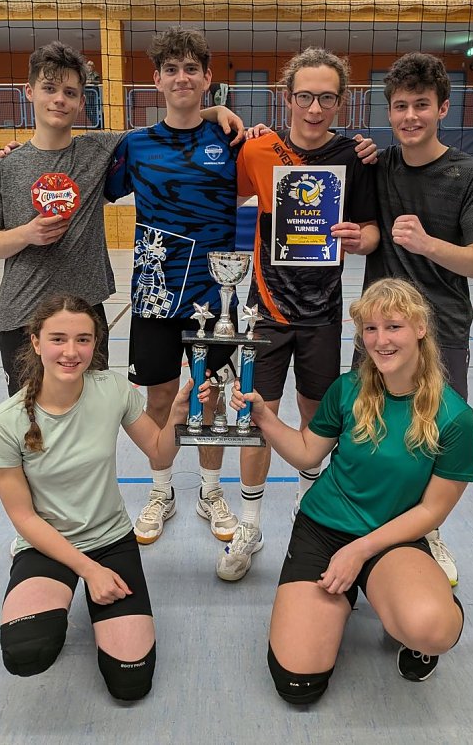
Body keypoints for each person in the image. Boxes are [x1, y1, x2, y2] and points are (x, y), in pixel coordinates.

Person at [105, 30, 379, 550]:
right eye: (171, 69)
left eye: (193, 69)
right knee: (159, 396)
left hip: (218, 294)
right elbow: (86, 172)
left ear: (210, 79)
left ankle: (211, 491)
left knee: (210, 397)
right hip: (155, 291)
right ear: (156, 78)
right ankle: (161, 490)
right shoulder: (135, 145)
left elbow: (279, 163)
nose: (181, 78)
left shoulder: (233, 143)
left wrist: (219, 118)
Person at [231, 278, 473, 703]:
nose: (380, 340)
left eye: (393, 327)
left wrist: (359, 551)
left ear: (420, 328)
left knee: (431, 629)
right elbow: (309, 454)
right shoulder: (347, 389)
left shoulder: (455, 417)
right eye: (370, 329)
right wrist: (264, 418)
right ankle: (341, 602)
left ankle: (406, 603)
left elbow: (432, 511)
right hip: (323, 527)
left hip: (392, 538)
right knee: (297, 684)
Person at [0, 40, 240, 397]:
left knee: (90, 415)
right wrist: (27, 233)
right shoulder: (7, 167)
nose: (59, 99)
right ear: (29, 91)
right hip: (25, 312)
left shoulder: (100, 150)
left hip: (88, 311)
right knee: (29, 417)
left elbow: (176, 124)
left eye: (70, 92)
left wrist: (216, 110)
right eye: (49, 89)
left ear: (82, 101)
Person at [216, 48, 380, 581]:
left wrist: (360, 239)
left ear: (341, 101)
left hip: (322, 315)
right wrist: (228, 123)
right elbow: (227, 192)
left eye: (326, 97)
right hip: (264, 311)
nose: (314, 107)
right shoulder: (259, 150)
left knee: (316, 421)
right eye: (305, 96)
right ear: (287, 98)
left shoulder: (355, 157)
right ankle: (251, 523)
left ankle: (309, 522)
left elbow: (372, 227)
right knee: (256, 418)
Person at [0, 293, 194, 699]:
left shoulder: (112, 389)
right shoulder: (4, 420)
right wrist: (88, 570)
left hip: (111, 540)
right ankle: (55, 603)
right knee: (26, 652)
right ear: (35, 342)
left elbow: (159, 451)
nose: (71, 351)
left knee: (130, 682)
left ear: (95, 344)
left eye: (83, 339)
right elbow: (24, 518)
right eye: (58, 339)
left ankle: (89, 606)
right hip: (46, 544)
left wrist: (177, 420)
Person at [362, 51, 473, 584]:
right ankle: (373, 528)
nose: (410, 117)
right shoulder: (377, 165)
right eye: (400, 106)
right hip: (379, 333)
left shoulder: (469, 173)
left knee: (433, 438)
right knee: (373, 433)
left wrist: (427, 244)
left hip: (442, 331)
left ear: (442, 107)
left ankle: (426, 532)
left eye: (421, 105)